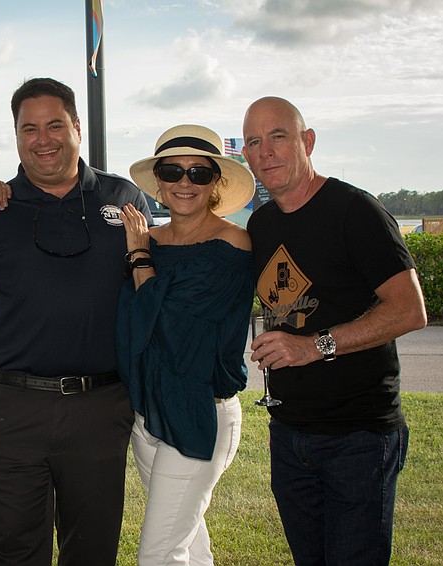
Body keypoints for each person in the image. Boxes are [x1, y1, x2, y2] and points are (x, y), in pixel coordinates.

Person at [0, 77, 152, 565]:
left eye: (55, 125)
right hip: (13, 410)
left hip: (102, 409)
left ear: (77, 127)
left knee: (92, 551)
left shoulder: (124, 197)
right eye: (29, 129)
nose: (43, 139)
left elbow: (152, 286)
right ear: (17, 135)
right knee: (9, 553)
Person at [243, 96, 427, 565]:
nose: (266, 152)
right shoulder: (261, 224)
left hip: (357, 436)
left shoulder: (355, 210)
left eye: (278, 137)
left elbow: (409, 310)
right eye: (253, 142)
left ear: (307, 141)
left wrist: (314, 347)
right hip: (288, 433)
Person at [116, 125, 256, 565]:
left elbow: (173, 321)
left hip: (199, 412)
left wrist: (138, 257)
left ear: (216, 182)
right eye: (173, 171)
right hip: (149, 412)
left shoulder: (230, 242)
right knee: (190, 542)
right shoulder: (150, 237)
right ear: (158, 180)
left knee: (158, 554)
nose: (184, 182)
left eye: (198, 173)